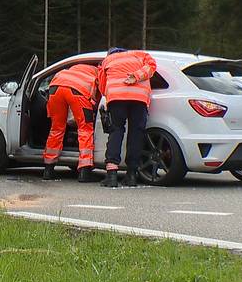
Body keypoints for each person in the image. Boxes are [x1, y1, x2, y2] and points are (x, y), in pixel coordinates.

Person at [97, 47, 157, 187]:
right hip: (139, 99)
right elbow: (152, 66)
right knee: (136, 134)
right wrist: (137, 76)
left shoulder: (107, 60)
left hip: (117, 98)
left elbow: (102, 84)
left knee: (116, 132)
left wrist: (110, 93)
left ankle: (111, 176)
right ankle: (131, 175)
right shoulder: (140, 55)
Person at [42, 63, 100, 182]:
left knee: (56, 128)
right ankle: (85, 171)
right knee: (85, 129)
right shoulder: (99, 71)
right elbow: (99, 95)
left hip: (55, 87)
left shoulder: (74, 67)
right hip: (78, 89)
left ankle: (48, 169)